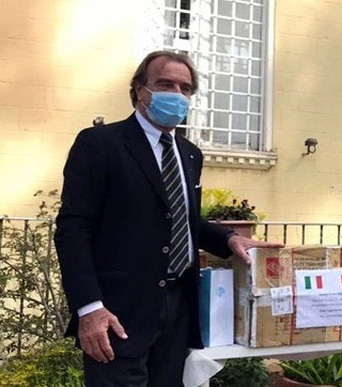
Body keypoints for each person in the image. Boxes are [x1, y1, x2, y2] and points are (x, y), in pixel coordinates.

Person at [54, 50, 283, 387]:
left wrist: (229, 239)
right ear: (139, 90)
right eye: (165, 84)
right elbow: (73, 228)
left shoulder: (190, 153)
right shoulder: (100, 144)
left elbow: (181, 218)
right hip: (118, 313)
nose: (176, 94)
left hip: (177, 309)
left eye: (185, 88)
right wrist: (89, 308)